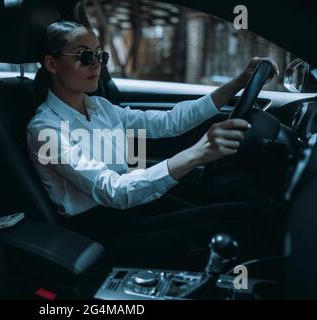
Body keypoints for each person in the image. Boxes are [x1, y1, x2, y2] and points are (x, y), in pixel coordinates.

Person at [27, 20, 280, 267]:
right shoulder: (45, 131)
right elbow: (113, 190)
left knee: (246, 213)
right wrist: (197, 153)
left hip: (131, 208)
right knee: (240, 225)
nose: (96, 65)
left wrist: (238, 83)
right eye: (84, 57)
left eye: (99, 56)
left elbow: (170, 122)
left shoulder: (99, 107)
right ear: (52, 63)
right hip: (101, 233)